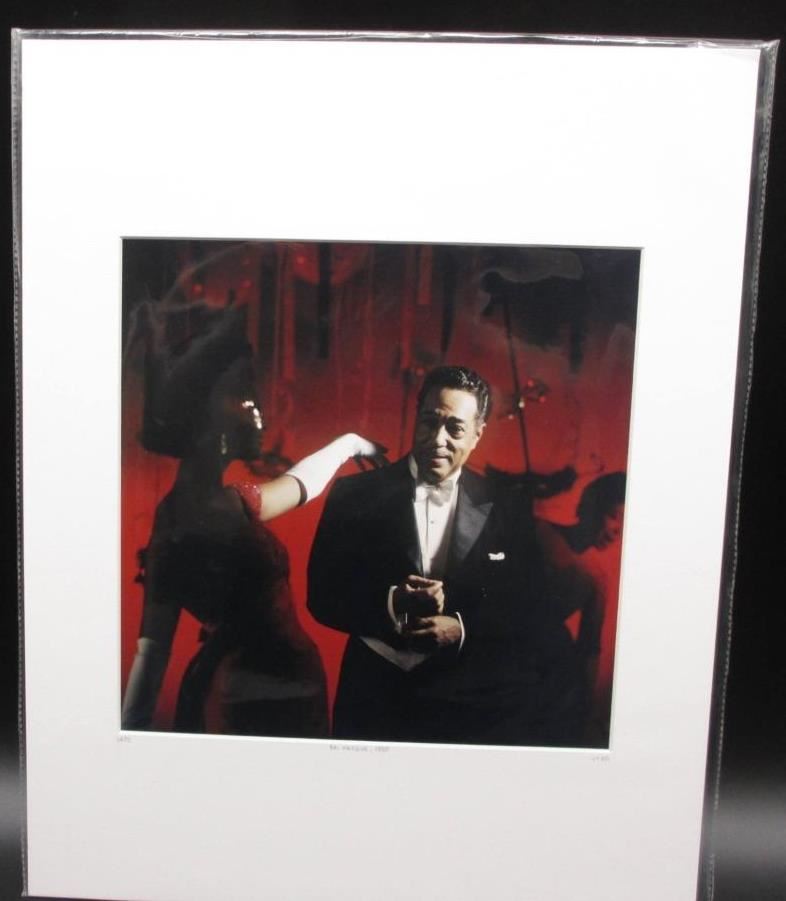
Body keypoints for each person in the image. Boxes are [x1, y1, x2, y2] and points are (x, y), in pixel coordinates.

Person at [121, 303, 384, 736]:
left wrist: (350, 445)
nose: (259, 408)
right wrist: (128, 738)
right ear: (208, 406)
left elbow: (297, 486)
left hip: (287, 689)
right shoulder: (192, 515)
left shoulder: (215, 504)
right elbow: (151, 653)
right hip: (248, 698)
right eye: (245, 394)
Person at [307, 365, 583, 746]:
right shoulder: (354, 494)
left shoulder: (508, 508)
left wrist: (461, 628)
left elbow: (527, 607)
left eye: (454, 428)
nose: (438, 439)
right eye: (429, 422)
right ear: (416, 417)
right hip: (371, 700)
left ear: (477, 434)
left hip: (466, 709)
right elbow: (321, 597)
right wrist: (392, 603)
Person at [535, 472, 626, 744]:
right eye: (614, 516)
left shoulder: (597, 579)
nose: (617, 530)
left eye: (627, 524)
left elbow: (590, 650)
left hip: (545, 675)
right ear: (589, 505)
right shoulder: (538, 531)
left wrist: (587, 714)